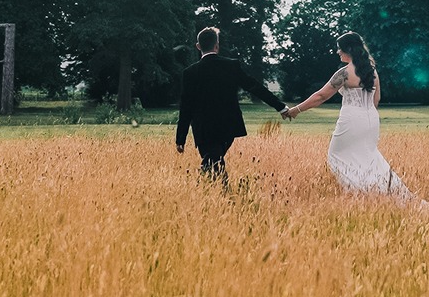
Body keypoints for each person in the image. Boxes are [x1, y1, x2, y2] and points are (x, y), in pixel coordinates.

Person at [282, 30, 414, 199]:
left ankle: (359, 193)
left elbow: (320, 96)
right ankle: (385, 193)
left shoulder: (344, 73)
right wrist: (367, 115)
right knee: (369, 156)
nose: (338, 52)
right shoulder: (372, 71)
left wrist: (295, 110)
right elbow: (377, 98)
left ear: (349, 50)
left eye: (340, 48)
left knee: (336, 155)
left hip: (351, 119)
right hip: (371, 119)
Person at [175, 26, 286, 184]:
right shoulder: (231, 66)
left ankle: (214, 193)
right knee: (213, 161)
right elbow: (254, 87)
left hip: (203, 129)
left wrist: (181, 138)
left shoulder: (190, 72)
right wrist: (280, 106)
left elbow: (186, 107)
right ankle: (219, 195)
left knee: (212, 161)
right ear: (217, 45)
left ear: (198, 46)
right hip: (228, 127)